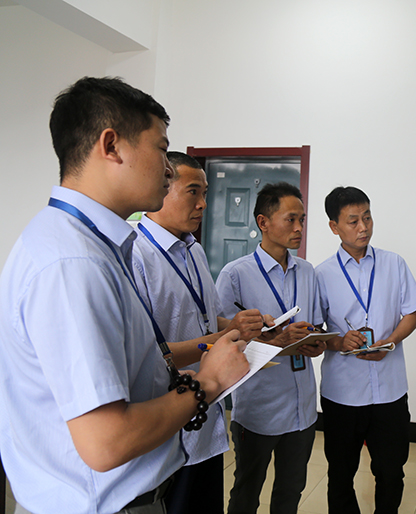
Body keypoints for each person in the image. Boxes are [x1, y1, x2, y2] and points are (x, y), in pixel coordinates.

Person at [0, 77, 249, 514]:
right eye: (161, 149)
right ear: (111, 146)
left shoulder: (90, 244)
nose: (168, 169)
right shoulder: (72, 262)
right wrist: (209, 381)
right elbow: (106, 442)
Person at [132, 151, 273, 514]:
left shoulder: (193, 249)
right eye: (193, 192)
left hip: (206, 419)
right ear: (162, 186)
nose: (204, 204)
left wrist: (237, 325)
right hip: (168, 424)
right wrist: (218, 339)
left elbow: (204, 318)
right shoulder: (135, 255)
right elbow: (150, 351)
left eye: (205, 193)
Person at [216, 182, 326, 514]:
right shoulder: (235, 275)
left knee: (291, 492)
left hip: (302, 406)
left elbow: (314, 326)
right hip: (259, 408)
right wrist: (276, 340)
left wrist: (315, 341)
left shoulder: (307, 271)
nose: (299, 228)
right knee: (246, 492)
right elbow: (222, 343)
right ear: (263, 222)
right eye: (291, 219)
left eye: (302, 220)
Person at [315, 186, 416, 514]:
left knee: (391, 472)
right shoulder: (321, 274)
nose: (363, 227)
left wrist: (390, 342)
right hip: (342, 393)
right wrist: (338, 342)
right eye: (353, 221)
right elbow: (315, 333)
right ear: (334, 226)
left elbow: (412, 314)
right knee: (340, 474)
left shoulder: (394, 264)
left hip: (390, 391)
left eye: (367, 217)